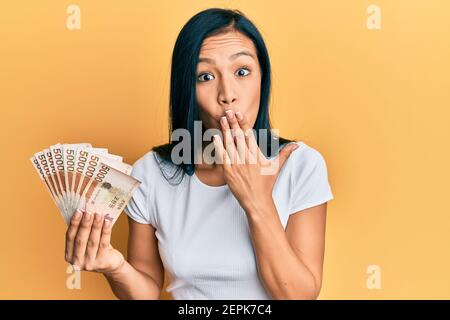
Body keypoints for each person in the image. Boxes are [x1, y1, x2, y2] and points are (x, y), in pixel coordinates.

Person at [64, 8, 334, 300]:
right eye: (204, 76)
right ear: (187, 90)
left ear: (262, 78)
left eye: (242, 71)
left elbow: (298, 296)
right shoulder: (151, 174)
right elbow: (147, 290)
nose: (227, 94)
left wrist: (256, 200)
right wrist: (115, 267)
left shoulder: (301, 165)